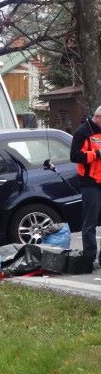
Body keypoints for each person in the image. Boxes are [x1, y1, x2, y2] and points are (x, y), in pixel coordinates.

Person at [70, 106, 101, 269]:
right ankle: (89, 258)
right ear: (97, 118)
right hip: (90, 183)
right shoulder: (83, 131)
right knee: (90, 222)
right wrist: (96, 154)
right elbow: (74, 156)